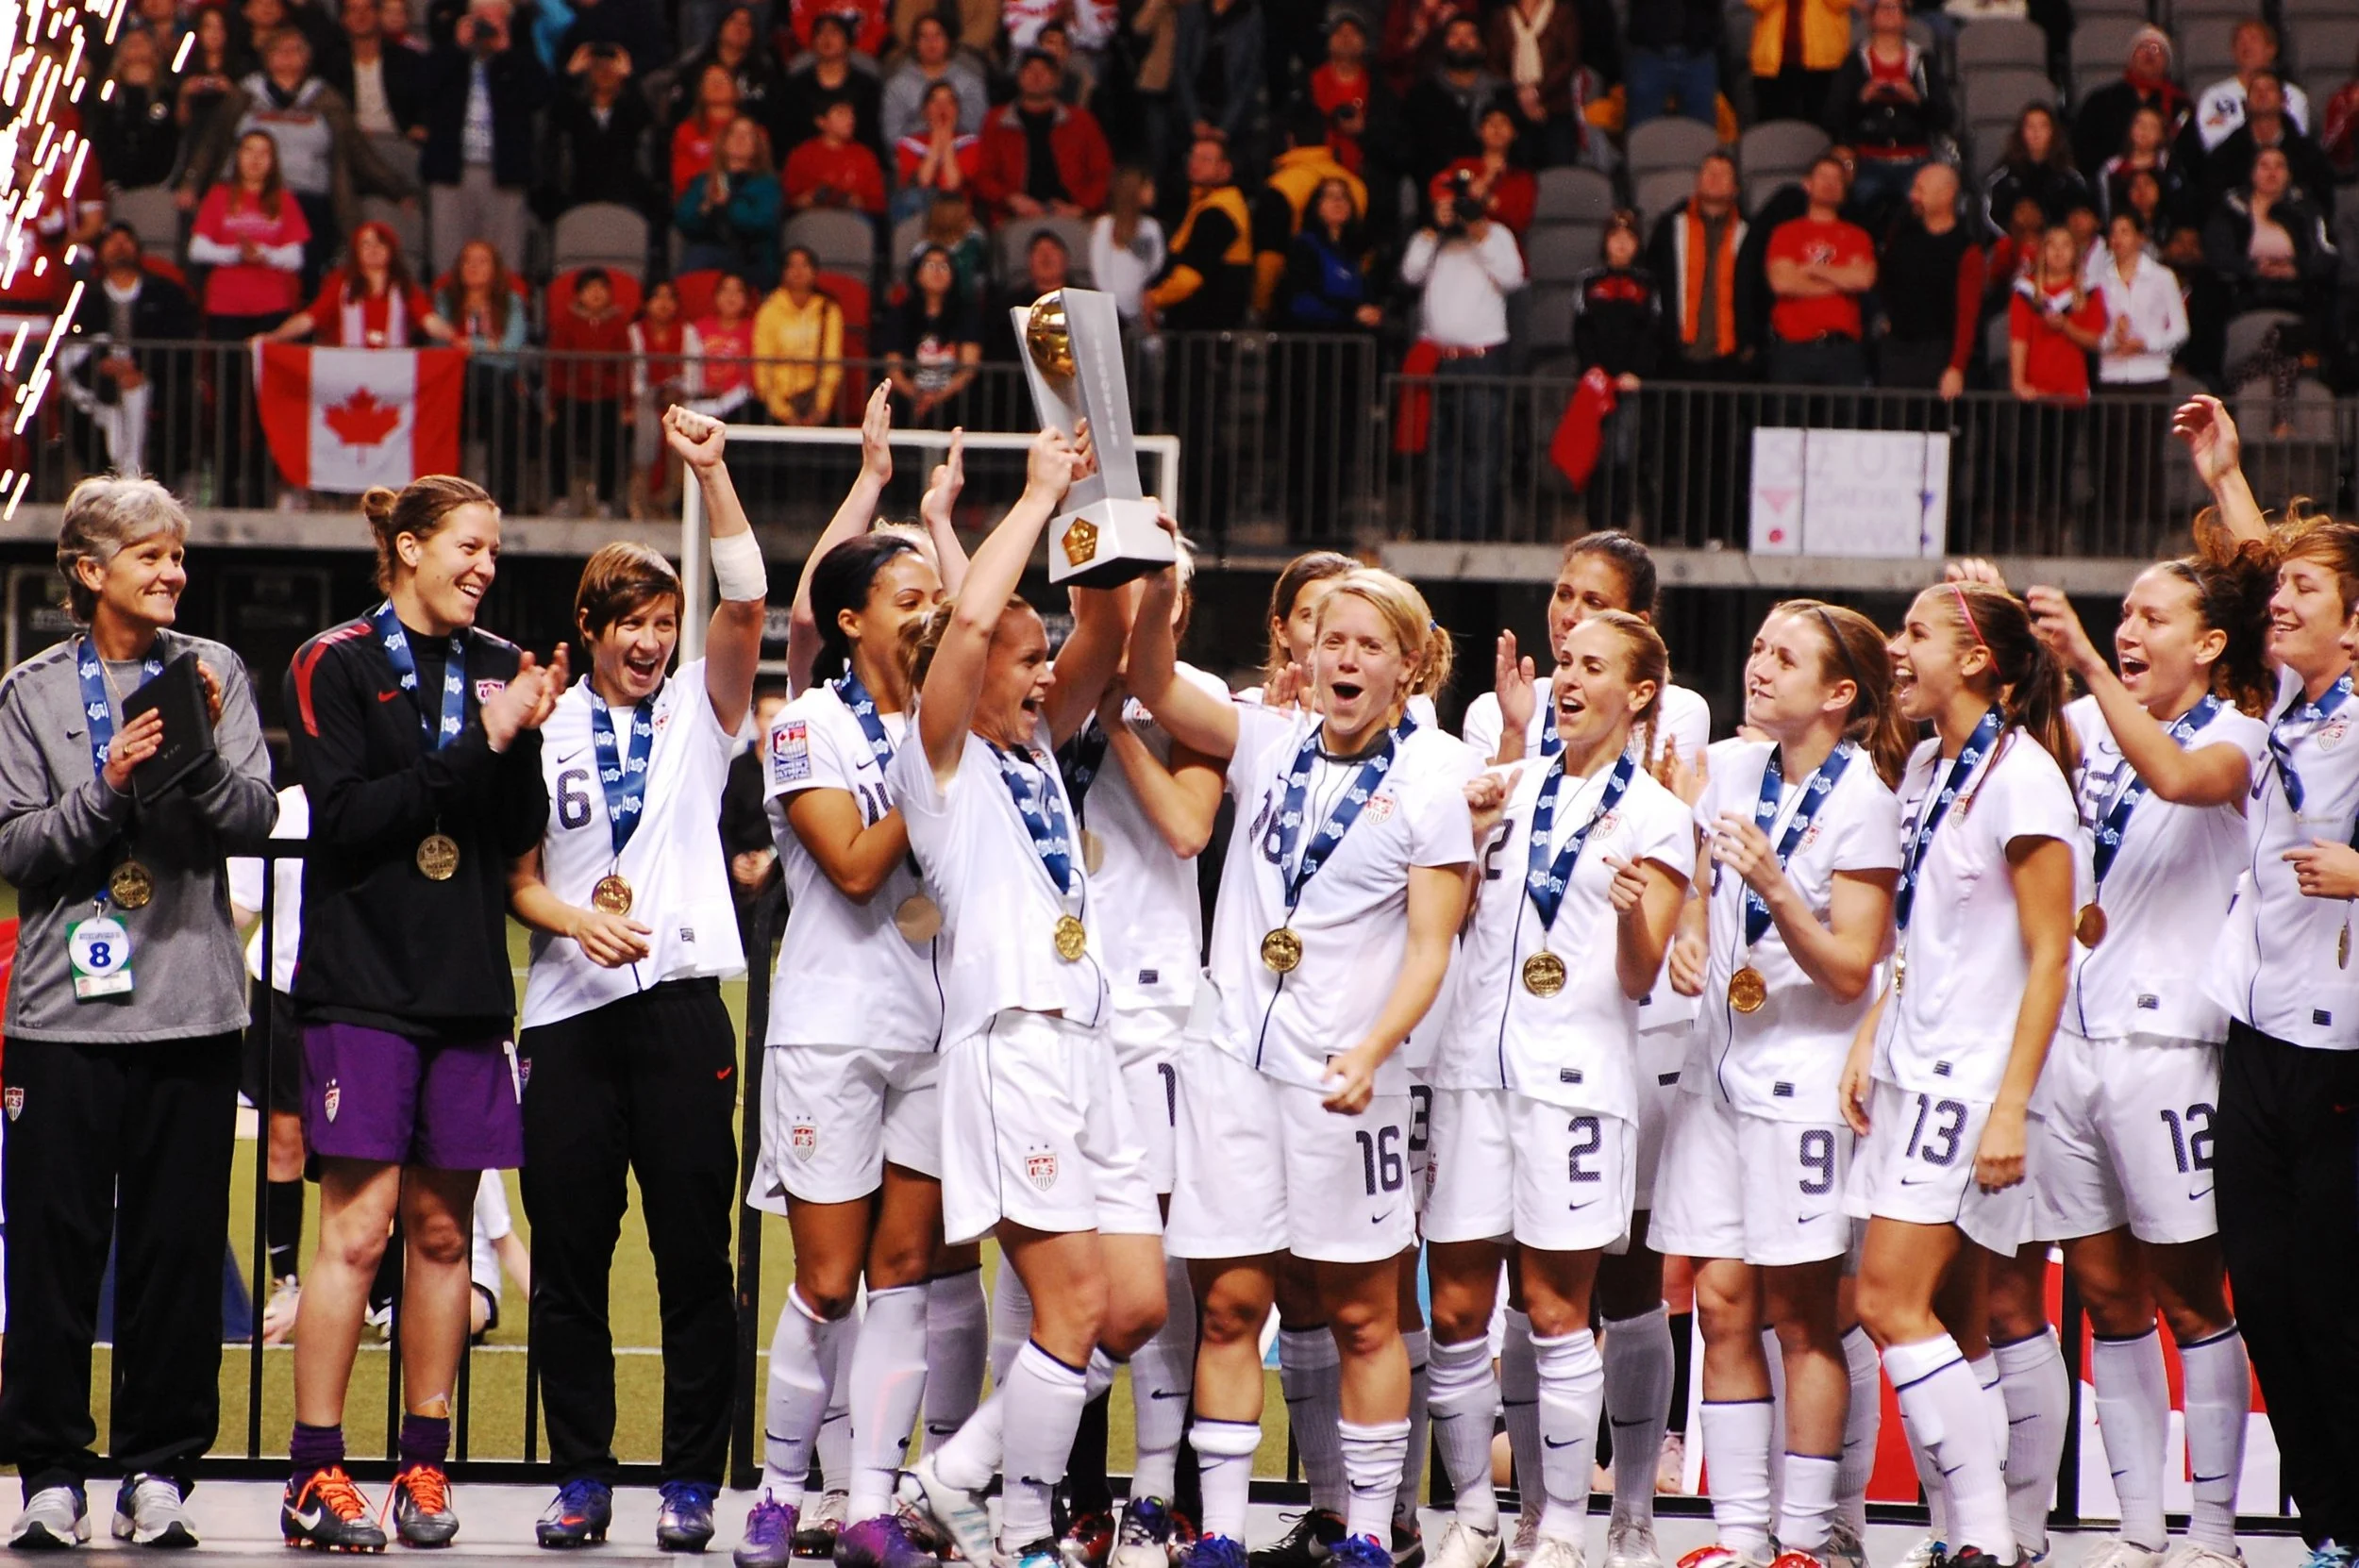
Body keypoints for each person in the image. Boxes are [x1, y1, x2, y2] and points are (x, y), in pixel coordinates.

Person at [1129, 559, 1474, 1568]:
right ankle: (1220, 1534)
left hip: (1345, 1080)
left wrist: (1371, 1050)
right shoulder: (1267, 738)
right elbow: (1150, 680)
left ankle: (1367, 1532)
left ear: (1408, 666)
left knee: (1364, 1315)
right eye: (1332, 640)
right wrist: (1150, 587)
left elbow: (1431, 948)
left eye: (1370, 645)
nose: (1345, 659)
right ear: (1306, 651)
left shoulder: (1436, 776)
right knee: (1230, 1305)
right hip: (1233, 1066)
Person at [1964, 519, 2272, 1568]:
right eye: (2124, 615)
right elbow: (2005, 751)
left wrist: (2090, 662)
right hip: (2073, 1038)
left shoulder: (2243, 737)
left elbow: (2180, 779)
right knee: (2105, 1295)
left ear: (2211, 644)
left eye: (2153, 618)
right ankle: (2139, 1531)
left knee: (2190, 1296)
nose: (2130, 631)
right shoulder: (2087, 726)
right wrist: (1996, 630)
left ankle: (2215, 1535)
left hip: (2170, 1043)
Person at [893, 429, 1172, 1568]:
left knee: (1135, 1306)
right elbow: (970, 627)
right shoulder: (938, 763)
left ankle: (952, 1474)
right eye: (1024, 661)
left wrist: (1104, 508)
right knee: (1068, 1311)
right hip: (1011, 1051)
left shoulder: (1033, 749)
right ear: (967, 681)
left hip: (1090, 1054)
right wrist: (1035, 493)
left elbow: (1096, 633)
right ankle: (1016, 1532)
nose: (1044, 672)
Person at [274, 475, 564, 1550]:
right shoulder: (334, 660)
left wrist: (525, 732)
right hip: (363, 986)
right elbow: (349, 817)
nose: (486, 567)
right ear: (407, 548)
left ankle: (423, 1470)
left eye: (494, 550)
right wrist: (482, 741)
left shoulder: (500, 664)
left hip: (467, 989)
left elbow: (520, 827)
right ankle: (314, 1473)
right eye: (468, 546)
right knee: (358, 1233)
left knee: (444, 1235)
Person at [0, 477, 276, 1552]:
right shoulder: (29, 693)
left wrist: (193, 752)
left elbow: (254, 816)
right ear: (89, 569)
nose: (174, 573)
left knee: (177, 1255)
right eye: (152, 556)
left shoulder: (216, 672)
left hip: (193, 1013)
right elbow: (16, 847)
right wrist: (110, 784)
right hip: (63, 1023)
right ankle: (51, 1477)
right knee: (55, 1258)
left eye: (178, 555)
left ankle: (159, 1473)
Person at [509, 407, 764, 1551]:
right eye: (632, 624)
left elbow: (747, 604)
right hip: (568, 1015)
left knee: (693, 1260)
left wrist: (712, 476)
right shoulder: (544, 723)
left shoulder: (703, 714)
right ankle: (582, 1477)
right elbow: (518, 880)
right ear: (591, 627)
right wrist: (577, 922)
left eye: (665, 622)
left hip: (680, 1012)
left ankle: (690, 1484)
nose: (653, 641)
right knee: (569, 1262)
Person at [736, 391, 971, 1568]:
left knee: (906, 1276)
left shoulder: (957, 721)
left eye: (935, 598)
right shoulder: (805, 729)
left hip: (936, 1033)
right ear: (850, 618)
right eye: (910, 598)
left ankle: (871, 1504)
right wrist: (935, 756)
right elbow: (857, 864)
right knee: (827, 1283)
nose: (932, 614)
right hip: (831, 1029)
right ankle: (780, 1492)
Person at [1458, 530, 1718, 1568]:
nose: (1566, 640)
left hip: (1611, 1051)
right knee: (1494, 1302)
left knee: (1622, 1284)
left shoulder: (1675, 741)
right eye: (1561, 614)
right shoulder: (1506, 754)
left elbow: (1644, 961)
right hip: (1493, 1061)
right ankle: (1511, 1516)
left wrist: (1639, 919)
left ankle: (1625, 1515)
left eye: (1591, 626)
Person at [1649, 603, 1908, 1568]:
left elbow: (1850, 969)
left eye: (1784, 658)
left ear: (1838, 694)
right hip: (1716, 1077)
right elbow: (1692, 883)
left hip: (1804, 1084)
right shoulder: (1725, 767)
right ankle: (1738, 1536)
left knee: (1802, 1318)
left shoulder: (1866, 800)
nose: (1759, 665)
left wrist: (1774, 888)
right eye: (1756, 647)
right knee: (1720, 1303)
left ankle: (1803, 1539)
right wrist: (1688, 930)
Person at [1837, 580, 2079, 1568]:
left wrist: (2011, 1106)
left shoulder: (2024, 778)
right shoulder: (1930, 766)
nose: (1897, 650)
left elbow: (2052, 954)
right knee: (1956, 1321)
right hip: (1917, 1064)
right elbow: (1923, 937)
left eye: (1917, 634)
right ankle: (1967, 1536)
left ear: (1977, 660)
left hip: (1974, 1080)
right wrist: (1873, 1033)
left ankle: (1984, 1535)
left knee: (1885, 1301)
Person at [2175, 393, 2359, 1555]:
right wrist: (2226, 474)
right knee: (2264, 1294)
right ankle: (2326, 1524)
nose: (2276, 603)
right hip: (2256, 1031)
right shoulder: (2291, 697)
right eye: (2280, 590)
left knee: (2333, 1305)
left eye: (2304, 592)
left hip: (2343, 1050)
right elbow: (2260, 566)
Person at [176, 25, 414, 278]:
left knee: (308, 264)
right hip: (246, 198)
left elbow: (359, 152)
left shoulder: (326, 99)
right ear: (267, 57)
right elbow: (211, 142)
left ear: (307, 57)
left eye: (296, 50)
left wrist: (398, 190)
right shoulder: (243, 95)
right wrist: (191, 183)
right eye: (280, 50)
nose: (288, 55)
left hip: (308, 198)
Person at [190, 128, 310, 506]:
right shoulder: (220, 197)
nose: (255, 160)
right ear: (237, 156)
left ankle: (261, 490)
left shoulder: (283, 200)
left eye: (264, 152)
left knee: (265, 403)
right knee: (227, 399)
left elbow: (296, 257)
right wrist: (236, 254)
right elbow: (198, 248)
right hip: (226, 308)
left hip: (271, 309)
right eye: (249, 151)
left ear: (273, 161)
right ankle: (225, 490)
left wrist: (263, 255)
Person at [1400, 174, 1525, 537]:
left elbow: (1513, 277)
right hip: (1437, 359)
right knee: (1439, 451)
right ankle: (1438, 531)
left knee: (1481, 452)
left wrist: (1478, 231)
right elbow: (1410, 273)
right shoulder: (1431, 238)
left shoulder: (1497, 234)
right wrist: (1433, 230)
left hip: (1482, 359)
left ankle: (1478, 533)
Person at [1277, 177, 1380, 536]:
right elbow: (1300, 302)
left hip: (1345, 366)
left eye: (1343, 197)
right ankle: (1305, 523)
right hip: (1313, 364)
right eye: (1329, 197)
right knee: (1312, 444)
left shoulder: (1353, 253)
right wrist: (1352, 315)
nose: (1338, 203)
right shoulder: (1305, 246)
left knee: (1340, 444)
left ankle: (1331, 519)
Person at [59, 223, 200, 483]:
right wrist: (103, 365)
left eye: (126, 240)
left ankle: (132, 471)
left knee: (136, 391)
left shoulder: (165, 293)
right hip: (97, 381)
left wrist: (139, 366)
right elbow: (75, 345)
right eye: (112, 241)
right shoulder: (85, 296)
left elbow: (179, 342)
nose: (119, 246)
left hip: (153, 379)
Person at [417, 0, 548, 277]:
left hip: (504, 173)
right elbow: (420, 89)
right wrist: (456, 48)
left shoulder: (518, 57)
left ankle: (505, 306)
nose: (486, 25)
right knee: (449, 259)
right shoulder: (448, 55)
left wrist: (506, 52)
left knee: (505, 260)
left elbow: (540, 95)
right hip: (452, 172)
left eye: (495, 18)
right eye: (480, 17)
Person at [2083, 211, 2187, 530]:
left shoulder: (2161, 277)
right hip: (2113, 375)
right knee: (2112, 455)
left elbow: (2179, 330)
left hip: (2150, 376)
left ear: (2140, 237)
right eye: (2114, 232)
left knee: (2146, 455)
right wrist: (2111, 338)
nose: (2118, 239)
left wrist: (2146, 343)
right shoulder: (2099, 280)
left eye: (2125, 231)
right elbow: (2091, 329)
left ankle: (2147, 525)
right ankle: (2114, 524)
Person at [1821, 0, 1949, 233]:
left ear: (1906, 19)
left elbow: (1946, 117)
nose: (1889, 12)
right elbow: (1833, 117)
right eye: (1883, 7)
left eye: (1895, 7)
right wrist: (1862, 99)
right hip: (1868, 160)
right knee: (1858, 201)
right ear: (1871, 18)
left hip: (1914, 159)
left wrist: (1916, 100)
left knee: (1924, 205)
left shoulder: (1923, 62)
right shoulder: (1855, 61)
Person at [1569, 213, 1660, 528]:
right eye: (1615, 236)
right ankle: (1594, 524)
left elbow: (1652, 333)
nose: (1621, 243)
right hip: (1595, 384)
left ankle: (1618, 525)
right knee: (1595, 453)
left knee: (1623, 454)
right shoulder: (1589, 281)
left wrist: (1637, 372)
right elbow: (1581, 331)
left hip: (1628, 385)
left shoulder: (1647, 284)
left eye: (1629, 237)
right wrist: (1593, 370)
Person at [1763, 156, 1875, 388]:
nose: (1830, 183)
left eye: (1837, 179)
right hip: (1793, 348)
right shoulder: (1785, 233)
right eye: (1823, 177)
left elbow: (1863, 279)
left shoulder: (1857, 236)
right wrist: (1840, 281)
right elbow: (1783, 283)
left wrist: (1812, 269)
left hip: (1843, 349)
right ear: (1807, 184)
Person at [1874, 163, 1983, 396]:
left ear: (1946, 195)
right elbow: (1884, 279)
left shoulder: (1967, 250)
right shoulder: (1900, 234)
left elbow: (1967, 315)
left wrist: (1956, 368)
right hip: (1896, 351)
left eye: (1920, 190)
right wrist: (1887, 315)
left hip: (1940, 352)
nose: (1912, 196)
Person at [1252, 103, 1366, 318]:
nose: (1338, 202)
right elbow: (1364, 255)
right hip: (1346, 308)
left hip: (1296, 310)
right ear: (1327, 137)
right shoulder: (1356, 185)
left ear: (1290, 139)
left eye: (1341, 198)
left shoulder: (1280, 186)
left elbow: (1269, 259)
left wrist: (1261, 308)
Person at [440, 238, 528, 513]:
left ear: (495, 268)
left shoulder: (511, 302)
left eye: (482, 261)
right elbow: (442, 343)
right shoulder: (446, 300)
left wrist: (470, 346)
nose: (474, 267)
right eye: (468, 261)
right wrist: (488, 346)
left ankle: (504, 496)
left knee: (503, 403)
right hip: (454, 377)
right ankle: (444, 495)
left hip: (498, 380)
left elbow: (511, 348)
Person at [263, 217, 454, 345]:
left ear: (391, 250)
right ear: (356, 252)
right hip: (348, 372)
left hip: (393, 373)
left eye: (380, 243)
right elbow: (309, 319)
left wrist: (455, 338)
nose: (373, 249)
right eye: (365, 244)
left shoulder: (405, 286)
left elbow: (429, 321)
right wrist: (274, 337)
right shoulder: (340, 283)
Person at [2200, 146, 2338, 322]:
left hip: (2300, 293)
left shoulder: (2308, 209)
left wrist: (2297, 269)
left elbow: (2328, 253)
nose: (2272, 173)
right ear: (2252, 173)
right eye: (2264, 166)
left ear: (2289, 174)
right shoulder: (2230, 210)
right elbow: (2217, 254)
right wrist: (2254, 268)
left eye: (2279, 166)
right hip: (2243, 293)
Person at [975, 46, 1112, 220]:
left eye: (1044, 70)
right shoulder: (996, 120)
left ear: (1057, 80)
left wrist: (1081, 208)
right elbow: (984, 176)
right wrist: (1010, 199)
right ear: (1018, 77)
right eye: (1029, 70)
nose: (1036, 76)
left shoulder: (1081, 121)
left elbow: (1102, 173)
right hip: (1015, 216)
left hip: (1071, 215)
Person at [1144, 135, 1254, 331]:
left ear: (1226, 168)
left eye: (1206, 159)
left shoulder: (1221, 210)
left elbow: (1192, 273)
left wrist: (1155, 298)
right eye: (1193, 157)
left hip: (1208, 328)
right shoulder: (1202, 203)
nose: (1196, 163)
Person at [542, 42, 657, 217]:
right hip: (578, 200)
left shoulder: (628, 111)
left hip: (625, 202)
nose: (605, 73)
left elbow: (643, 119)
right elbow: (555, 115)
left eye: (610, 67)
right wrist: (569, 75)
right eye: (598, 67)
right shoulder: (575, 110)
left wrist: (629, 77)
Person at [2202, 70, 2336, 220]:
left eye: (2269, 89)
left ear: (2283, 101)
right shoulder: (2225, 155)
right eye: (2256, 90)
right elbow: (2213, 203)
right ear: (2245, 105)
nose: (2262, 95)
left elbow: (2322, 203)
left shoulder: (2308, 154)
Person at [678, 114, 785, 287]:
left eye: (747, 134)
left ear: (757, 145)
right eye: (733, 133)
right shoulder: (704, 181)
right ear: (723, 142)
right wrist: (706, 207)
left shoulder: (767, 184)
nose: (739, 139)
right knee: (697, 258)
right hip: (711, 250)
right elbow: (684, 221)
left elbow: (762, 223)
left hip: (752, 256)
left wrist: (728, 204)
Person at [881, 245, 982, 430]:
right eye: (929, 265)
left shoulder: (966, 314)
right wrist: (918, 396)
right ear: (917, 274)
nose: (937, 271)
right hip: (909, 403)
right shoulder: (900, 314)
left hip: (954, 403)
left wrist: (937, 398)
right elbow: (893, 369)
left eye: (944, 266)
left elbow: (969, 368)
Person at [2071, 25, 2189, 181]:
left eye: (2157, 49)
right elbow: (2083, 150)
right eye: (2143, 47)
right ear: (2131, 57)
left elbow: (2189, 157)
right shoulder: (2100, 101)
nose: (2149, 53)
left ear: (2167, 63)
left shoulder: (2181, 106)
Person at [1398, 14, 1499, 188]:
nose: (1462, 41)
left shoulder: (1500, 94)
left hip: (1491, 185)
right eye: (1455, 35)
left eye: (1469, 35)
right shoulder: (1422, 95)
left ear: (1482, 46)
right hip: (1434, 187)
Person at [1484, 0, 1587, 166]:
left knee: (1559, 166)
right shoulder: (1502, 16)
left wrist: (1537, 92)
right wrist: (1519, 93)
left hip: (1556, 106)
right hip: (1515, 107)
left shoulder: (1562, 13)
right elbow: (1493, 63)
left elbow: (1570, 60)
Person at [2188, 18, 2313, 156]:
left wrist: (2231, 126)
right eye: (2240, 40)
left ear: (2271, 49)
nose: (2246, 46)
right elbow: (2213, 143)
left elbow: (2292, 141)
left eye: (2253, 39)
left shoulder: (2293, 95)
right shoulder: (2214, 96)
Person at [752, 247, 846, 426]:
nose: (798, 271)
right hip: (777, 405)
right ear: (783, 272)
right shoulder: (768, 311)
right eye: (792, 266)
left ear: (815, 271)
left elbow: (832, 362)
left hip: (816, 401)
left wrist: (821, 407)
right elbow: (763, 367)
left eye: (804, 265)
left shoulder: (828, 310)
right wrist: (783, 412)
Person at [1982, 104, 2092, 239]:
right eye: (2030, 127)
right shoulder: (2002, 179)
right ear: (2021, 132)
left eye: (2043, 126)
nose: (2036, 133)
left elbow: (2083, 221)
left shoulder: (2072, 180)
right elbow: (1989, 220)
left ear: (2053, 132)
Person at [92, 28, 182, 190]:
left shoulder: (168, 96)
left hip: (158, 186)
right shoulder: (106, 97)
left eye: (143, 42)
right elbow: (104, 139)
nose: (137, 47)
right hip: (114, 187)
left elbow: (166, 142)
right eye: (130, 44)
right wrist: (132, 91)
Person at [879, 12, 985, 148]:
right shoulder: (898, 84)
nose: (931, 43)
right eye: (924, 36)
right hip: (913, 155)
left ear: (948, 40)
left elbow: (976, 130)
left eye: (937, 35)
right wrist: (928, 133)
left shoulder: (969, 82)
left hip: (961, 154)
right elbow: (892, 136)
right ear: (915, 42)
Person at [1743, 0, 1847, 125]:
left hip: (1823, 63)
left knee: (1819, 126)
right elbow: (1757, 3)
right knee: (1773, 127)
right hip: (1773, 64)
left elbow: (1842, 3)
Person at [891, 80, 979, 221]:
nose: (942, 108)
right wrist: (937, 140)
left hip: (959, 214)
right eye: (935, 102)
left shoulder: (971, 143)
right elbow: (923, 183)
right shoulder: (907, 144)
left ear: (957, 110)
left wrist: (947, 140)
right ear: (924, 110)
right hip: (918, 215)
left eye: (949, 102)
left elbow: (951, 184)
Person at [1090, 167, 1166, 324]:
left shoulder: (1152, 227)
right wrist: (1115, 310)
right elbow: (1100, 273)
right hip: (1112, 313)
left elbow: (1156, 267)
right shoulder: (1105, 225)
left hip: (1143, 311)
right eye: (1148, 186)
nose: (1153, 191)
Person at [688, 273, 760, 424]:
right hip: (702, 400)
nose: (731, 296)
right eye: (725, 290)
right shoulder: (699, 328)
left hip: (739, 405)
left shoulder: (754, 329)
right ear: (715, 296)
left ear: (747, 298)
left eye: (737, 291)